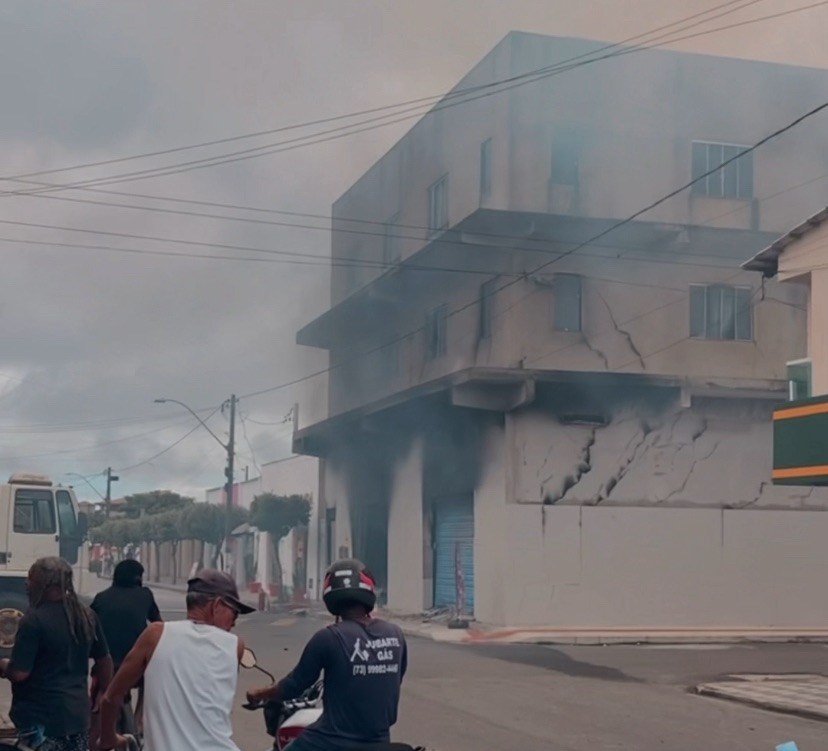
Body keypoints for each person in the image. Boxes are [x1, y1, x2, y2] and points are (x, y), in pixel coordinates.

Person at [247, 559, 408, 751]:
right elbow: (393, 679)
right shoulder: (395, 634)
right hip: (379, 741)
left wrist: (260, 694)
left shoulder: (328, 638)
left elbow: (293, 686)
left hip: (332, 741)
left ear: (330, 596)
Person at [97, 569, 253, 751]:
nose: (234, 622)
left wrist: (108, 739)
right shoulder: (235, 645)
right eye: (234, 613)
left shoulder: (155, 635)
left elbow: (111, 698)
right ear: (216, 605)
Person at [0, 556, 113, 751]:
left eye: (30, 578)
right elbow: (104, 659)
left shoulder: (33, 620)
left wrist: (3, 665)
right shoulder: (85, 616)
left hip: (40, 718)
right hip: (77, 717)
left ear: (43, 584)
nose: (26, 584)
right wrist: (105, 691)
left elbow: (19, 673)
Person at [90, 559, 162, 735]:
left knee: (99, 696)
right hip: (137, 664)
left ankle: (98, 721)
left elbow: (89, 625)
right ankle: (139, 719)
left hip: (106, 664)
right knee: (151, 680)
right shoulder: (145, 595)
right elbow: (158, 624)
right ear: (138, 578)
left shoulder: (101, 597)